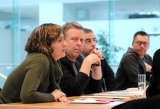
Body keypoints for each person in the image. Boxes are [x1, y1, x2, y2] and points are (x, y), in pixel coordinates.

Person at [0, 23, 68, 104]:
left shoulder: (53, 61)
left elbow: (55, 90)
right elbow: (28, 96)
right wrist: (52, 97)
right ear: (46, 45)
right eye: (59, 41)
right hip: (6, 106)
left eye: (63, 40)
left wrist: (60, 95)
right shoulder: (39, 59)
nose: (65, 44)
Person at [59, 22, 102, 97]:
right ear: (63, 41)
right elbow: (72, 93)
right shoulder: (58, 62)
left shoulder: (79, 60)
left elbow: (95, 92)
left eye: (81, 40)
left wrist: (96, 67)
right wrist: (87, 62)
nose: (79, 43)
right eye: (74, 39)